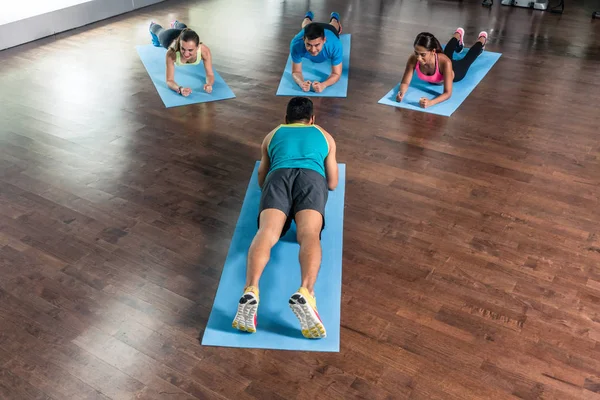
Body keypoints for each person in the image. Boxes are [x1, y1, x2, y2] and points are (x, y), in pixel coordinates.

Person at [232, 97, 339, 339]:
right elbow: (332, 183)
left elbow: (261, 179)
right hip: (312, 179)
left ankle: (251, 289)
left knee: (267, 233)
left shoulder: (272, 135)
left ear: (286, 119)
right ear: (312, 119)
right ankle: (307, 292)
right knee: (308, 234)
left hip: (278, 177)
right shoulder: (325, 136)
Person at [396, 28, 488, 108]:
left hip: (455, 71)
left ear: (433, 51)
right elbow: (405, 82)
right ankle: (458, 34)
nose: (418, 58)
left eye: (423, 54)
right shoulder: (414, 58)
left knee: (468, 59)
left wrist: (430, 102)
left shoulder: (445, 62)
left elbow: (447, 93)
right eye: (416, 53)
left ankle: (482, 39)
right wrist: (401, 93)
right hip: (440, 66)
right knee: (448, 51)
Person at [148, 20, 214, 96]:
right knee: (159, 31)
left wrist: (209, 84)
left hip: (184, 33)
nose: (186, 54)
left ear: (197, 47)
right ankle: (152, 25)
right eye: (183, 49)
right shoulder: (172, 53)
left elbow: (210, 74)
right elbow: (169, 80)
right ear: (179, 45)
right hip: (169, 36)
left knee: (185, 29)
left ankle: (175, 23)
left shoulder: (204, 51)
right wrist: (179, 89)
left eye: (190, 50)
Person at [290, 11, 343, 93]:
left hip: (330, 30)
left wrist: (324, 84)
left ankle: (334, 18)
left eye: (317, 45)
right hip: (309, 28)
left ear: (324, 40)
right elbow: (296, 71)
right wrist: (301, 83)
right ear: (304, 39)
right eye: (309, 45)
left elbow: (336, 74)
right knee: (306, 25)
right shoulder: (296, 44)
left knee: (333, 25)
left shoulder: (335, 45)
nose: (313, 50)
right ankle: (308, 17)